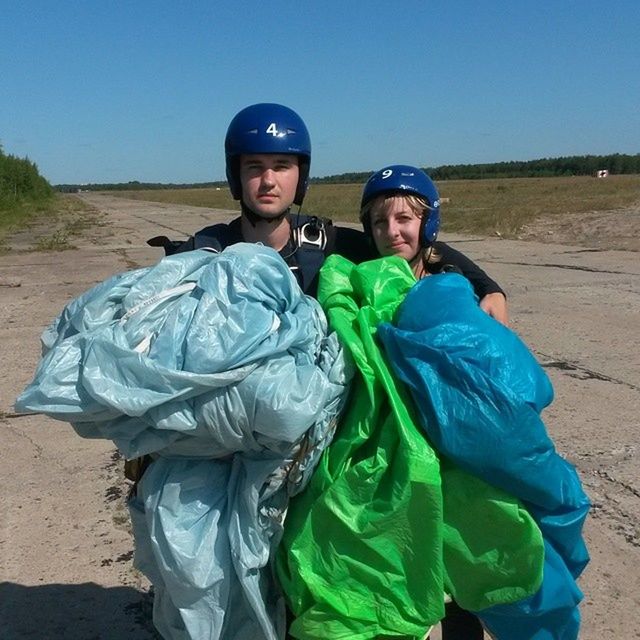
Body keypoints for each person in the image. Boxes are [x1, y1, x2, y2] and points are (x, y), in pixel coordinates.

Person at [149, 102, 507, 317]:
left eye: (282, 165)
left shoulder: (322, 243)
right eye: (254, 167)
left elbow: (411, 246)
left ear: (300, 177)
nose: (269, 180)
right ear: (236, 176)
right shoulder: (206, 250)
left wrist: (490, 289)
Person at [359, 163, 491, 639]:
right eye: (379, 222)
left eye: (405, 220)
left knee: (458, 578)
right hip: (394, 457)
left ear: (427, 224)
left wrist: (487, 287)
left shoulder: (452, 286)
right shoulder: (363, 278)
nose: (391, 232)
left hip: (453, 452)